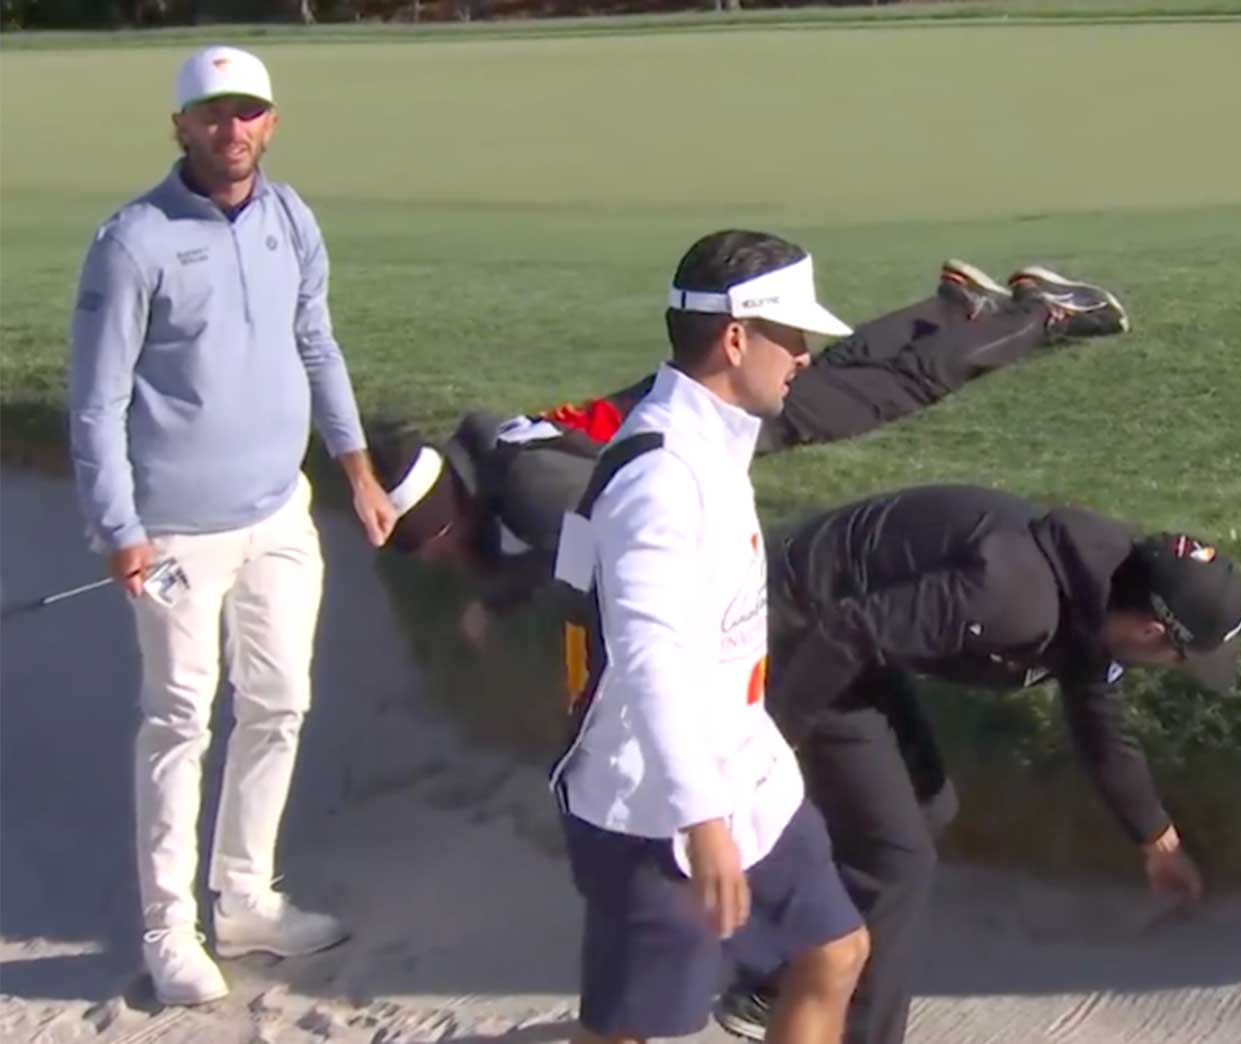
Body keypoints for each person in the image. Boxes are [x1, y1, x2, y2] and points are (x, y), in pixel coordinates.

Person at [65, 45, 396, 1007]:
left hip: (279, 514)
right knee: (179, 721)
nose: (232, 129)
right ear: (181, 126)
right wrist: (119, 527)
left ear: (272, 121)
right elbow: (95, 404)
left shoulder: (290, 218)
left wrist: (355, 469)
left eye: (248, 111)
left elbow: (316, 343)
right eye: (213, 113)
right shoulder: (131, 242)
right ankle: (171, 929)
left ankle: (244, 896)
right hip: (173, 534)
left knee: (280, 701)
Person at [715, 484, 1241, 1043]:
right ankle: (845, 1020)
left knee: (927, 808)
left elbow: (1100, 728)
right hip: (788, 629)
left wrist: (1156, 839)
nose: (1170, 666)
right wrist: (764, 754)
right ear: (1151, 631)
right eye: (1179, 657)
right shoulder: (1013, 598)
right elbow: (843, 634)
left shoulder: (1100, 597)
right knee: (897, 856)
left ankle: (787, 982)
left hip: (853, 633)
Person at [363, 259, 1131, 647]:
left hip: (720, 412)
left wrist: (503, 598)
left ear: (444, 511)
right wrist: (494, 590)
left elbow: (601, 554)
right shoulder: (492, 455)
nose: (428, 560)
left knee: (898, 390)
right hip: (703, 396)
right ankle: (952, 307)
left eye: (423, 542)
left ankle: (1047, 313)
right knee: (829, 377)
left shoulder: (528, 492)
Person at [547, 229, 871, 1044]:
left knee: (835, 950)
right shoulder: (662, 479)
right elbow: (654, 662)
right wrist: (703, 820)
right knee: (630, 1030)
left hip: (746, 780)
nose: (804, 357)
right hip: (655, 812)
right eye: (793, 336)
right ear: (736, 338)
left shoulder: (709, 443)